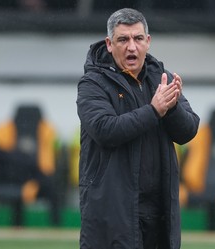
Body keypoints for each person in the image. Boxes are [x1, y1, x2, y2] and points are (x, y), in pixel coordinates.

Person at [76, 8, 200, 249]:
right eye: (123, 39)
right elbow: (105, 129)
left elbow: (188, 131)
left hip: (159, 213)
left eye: (138, 39)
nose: (131, 47)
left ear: (148, 42)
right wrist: (154, 110)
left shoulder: (161, 78)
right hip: (112, 212)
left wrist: (172, 107)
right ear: (109, 44)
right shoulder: (92, 83)